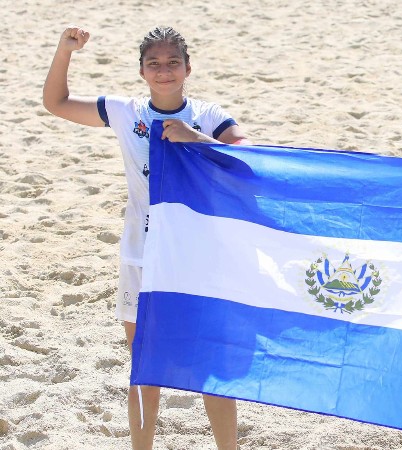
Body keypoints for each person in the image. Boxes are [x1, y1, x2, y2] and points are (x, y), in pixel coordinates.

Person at [43, 26, 249, 450]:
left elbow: (246, 159)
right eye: (153, 63)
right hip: (140, 255)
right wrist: (65, 51)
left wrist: (197, 139)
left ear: (188, 68)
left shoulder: (208, 115)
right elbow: (56, 103)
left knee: (209, 360)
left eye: (173, 62)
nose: (164, 71)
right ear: (141, 71)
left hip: (199, 260)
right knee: (144, 363)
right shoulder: (125, 111)